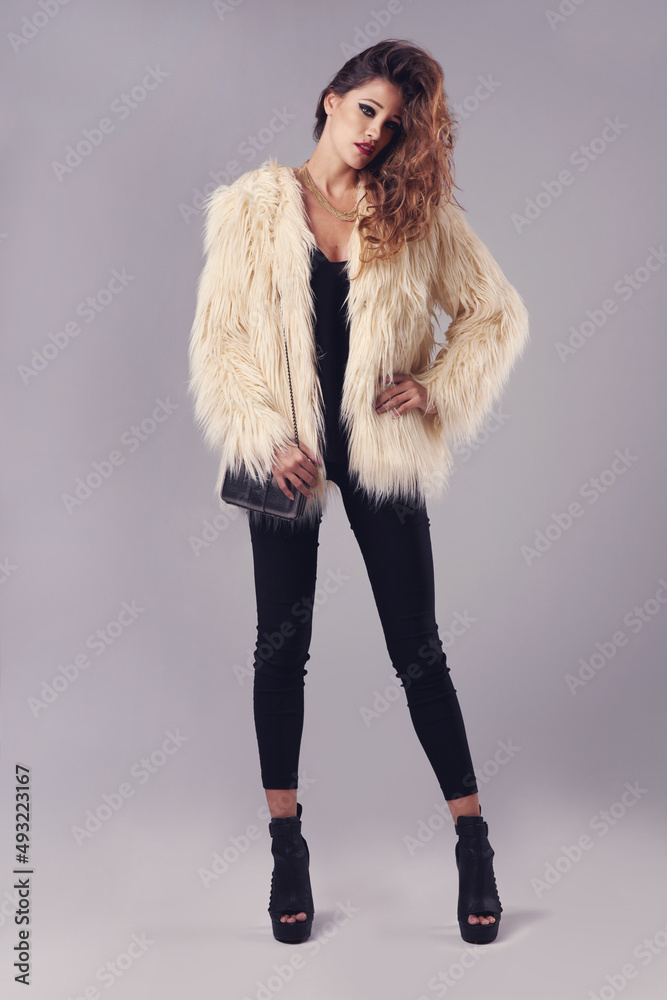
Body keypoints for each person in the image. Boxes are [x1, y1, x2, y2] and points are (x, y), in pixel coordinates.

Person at [188, 39, 529, 946]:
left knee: (417, 648)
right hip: (289, 453)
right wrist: (266, 440)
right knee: (279, 647)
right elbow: (220, 344)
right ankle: (287, 847)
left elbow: (495, 312)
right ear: (331, 100)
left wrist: (438, 387)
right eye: (366, 110)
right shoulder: (250, 209)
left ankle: (473, 842)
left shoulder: (413, 211)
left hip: (379, 445)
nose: (376, 133)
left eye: (394, 122)